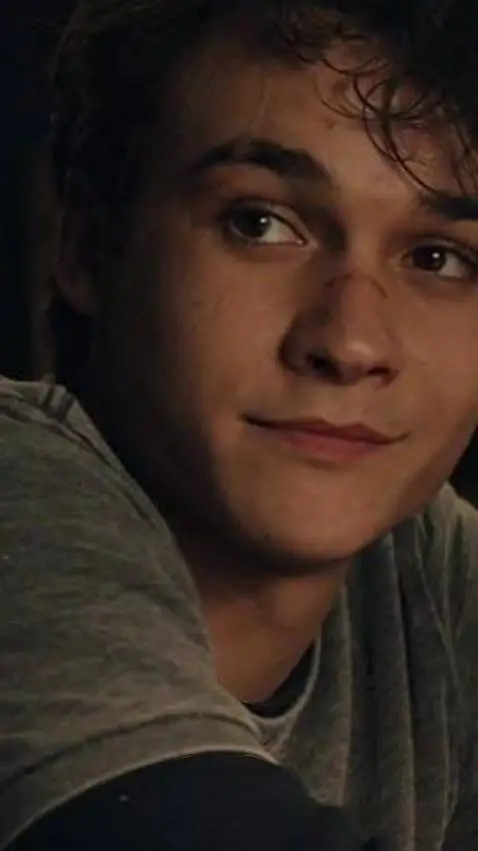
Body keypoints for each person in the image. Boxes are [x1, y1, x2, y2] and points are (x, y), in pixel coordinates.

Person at [1, 0, 478, 848]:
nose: (352, 341)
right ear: (86, 245)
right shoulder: (19, 490)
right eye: (259, 223)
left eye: (437, 258)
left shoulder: (425, 570)